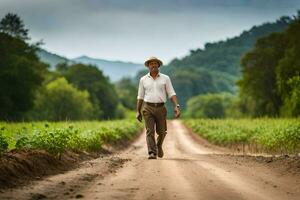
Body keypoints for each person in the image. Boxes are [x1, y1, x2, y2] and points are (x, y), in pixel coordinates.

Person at [136, 56, 180, 159]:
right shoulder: (143, 80)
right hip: (148, 108)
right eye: (151, 64)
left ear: (158, 65)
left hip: (161, 108)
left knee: (162, 132)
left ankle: (159, 145)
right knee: (149, 131)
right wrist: (138, 111)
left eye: (155, 63)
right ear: (148, 66)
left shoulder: (165, 78)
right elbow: (140, 96)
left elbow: (171, 93)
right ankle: (152, 152)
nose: (153, 65)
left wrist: (176, 106)